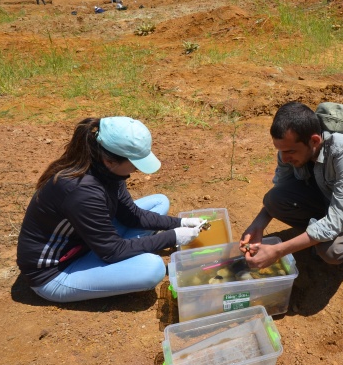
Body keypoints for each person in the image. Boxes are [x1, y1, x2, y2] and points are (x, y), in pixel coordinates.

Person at [16, 116, 206, 303]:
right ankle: (127, 256)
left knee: (159, 202)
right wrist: (172, 237)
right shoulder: (81, 191)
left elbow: (132, 216)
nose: (137, 170)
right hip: (57, 272)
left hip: (86, 243)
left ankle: (129, 251)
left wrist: (180, 223)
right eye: (135, 163)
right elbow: (111, 251)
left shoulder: (105, 170)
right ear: (110, 161)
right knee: (153, 267)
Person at [239, 102, 343, 273]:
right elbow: (282, 189)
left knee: (332, 251)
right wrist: (258, 225)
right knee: (274, 199)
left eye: (290, 152)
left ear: (314, 140)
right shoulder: (290, 147)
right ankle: (319, 233)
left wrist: (278, 251)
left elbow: (339, 217)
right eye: (281, 151)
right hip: (327, 189)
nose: (284, 158)